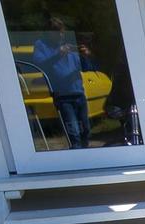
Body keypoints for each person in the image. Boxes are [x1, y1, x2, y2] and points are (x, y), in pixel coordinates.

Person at [31, 14, 95, 149]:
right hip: (63, 96)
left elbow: (87, 68)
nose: (61, 36)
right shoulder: (42, 46)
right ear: (49, 33)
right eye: (57, 33)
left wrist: (85, 56)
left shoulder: (68, 47)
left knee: (86, 130)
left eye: (62, 33)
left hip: (78, 93)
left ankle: (87, 156)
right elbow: (39, 64)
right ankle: (76, 157)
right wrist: (58, 54)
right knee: (74, 132)